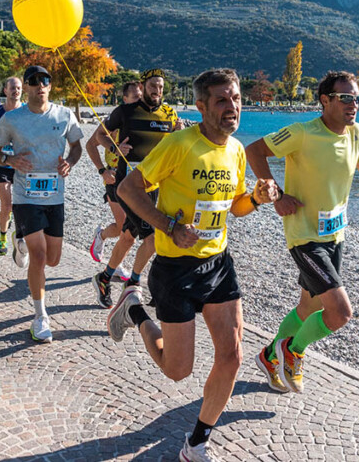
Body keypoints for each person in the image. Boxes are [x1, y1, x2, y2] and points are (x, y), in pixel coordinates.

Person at [108, 68, 278, 461]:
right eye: (221, 100)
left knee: (232, 355)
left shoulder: (236, 150)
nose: (232, 107)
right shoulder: (179, 144)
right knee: (177, 370)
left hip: (218, 265)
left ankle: (196, 442)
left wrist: (256, 197)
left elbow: (235, 207)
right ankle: (133, 311)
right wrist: (168, 225)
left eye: (235, 98)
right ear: (201, 107)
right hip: (175, 269)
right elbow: (128, 189)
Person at [245, 71, 359, 394]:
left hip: (335, 235)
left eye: (357, 98)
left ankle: (268, 355)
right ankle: (293, 350)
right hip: (304, 236)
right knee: (340, 312)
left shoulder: (356, 133)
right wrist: (276, 191)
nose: (353, 104)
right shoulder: (302, 133)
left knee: (310, 307)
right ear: (325, 100)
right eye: (345, 98)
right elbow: (254, 151)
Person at [0, 65, 83, 343]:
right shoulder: (12, 119)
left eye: (45, 80)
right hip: (25, 196)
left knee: (53, 260)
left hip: (55, 196)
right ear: (26, 87)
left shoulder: (64, 114)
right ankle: (40, 317)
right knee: (39, 257)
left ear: (50, 87)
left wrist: (71, 162)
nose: (40, 85)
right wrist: (9, 160)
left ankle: (21, 242)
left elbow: (77, 145)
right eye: (33, 81)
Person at [87, 70, 181, 308]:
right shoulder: (125, 112)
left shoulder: (169, 114)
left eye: (160, 87)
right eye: (152, 86)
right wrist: (116, 147)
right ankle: (134, 284)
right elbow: (99, 136)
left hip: (155, 185)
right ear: (143, 86)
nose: (157, 91)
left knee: (128, 236)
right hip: (128, 186)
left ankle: (105, 278)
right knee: (153, 236)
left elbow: (175, 145)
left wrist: (178, 134)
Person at [85, 80, 141, 270]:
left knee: (124, 229)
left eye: (141, 97)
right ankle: (116, 264)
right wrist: (102, 171)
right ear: (124, 99)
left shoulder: (144, 121)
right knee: (125, 226)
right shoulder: (115, 122)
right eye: (135, 97)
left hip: (138, 181)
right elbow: (90, 144)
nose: (139, 100)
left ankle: (102, 235)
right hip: (115, 178)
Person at [0, 76, 23, 256]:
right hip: (2, 162)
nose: (16, 91)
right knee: (7, 204)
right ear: (5, 91)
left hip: (21, 164)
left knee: (21, 204)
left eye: (18, 88)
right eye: (13, 88)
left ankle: (20, 235)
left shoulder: (27, 111)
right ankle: (3, 237)